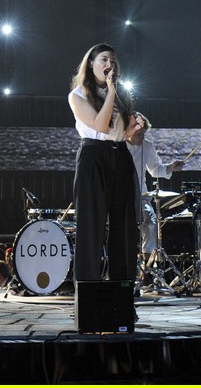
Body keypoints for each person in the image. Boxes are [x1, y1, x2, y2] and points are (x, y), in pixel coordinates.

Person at [68, 44, 139, 284]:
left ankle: (123, 290)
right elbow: (99, 125)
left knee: (125, 227)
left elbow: (127, 135)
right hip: (93, 156)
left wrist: (137, 128)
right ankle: (89, 292)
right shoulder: (78, 94)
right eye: (104, 59)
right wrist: (110, 92)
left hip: (119, 155)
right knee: (91, 227)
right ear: (91, 63)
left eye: (113, 60)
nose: (110, 65)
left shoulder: (120, 94)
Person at [124, 113, 185, 281]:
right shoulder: (118, 146)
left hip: (142, 195)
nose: (142, 137)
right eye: (138, 134)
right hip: (121, 197)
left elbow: (155, 169)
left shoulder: (147, 146)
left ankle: (147, 268)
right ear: (127, 131)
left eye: (144, 133)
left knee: (150, 223)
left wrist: (171, 167)